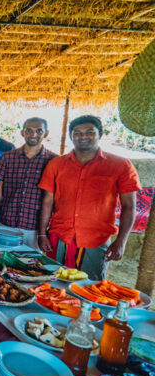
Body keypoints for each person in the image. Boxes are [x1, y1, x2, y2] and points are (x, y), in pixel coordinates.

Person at [38, 115, 140, 279]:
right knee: (51, 284)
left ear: (100, 134)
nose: (83, 136)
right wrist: (42, 234)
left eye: (89, 132)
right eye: (77, 132)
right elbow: (47, 201)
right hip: (59, 237)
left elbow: (129, 206)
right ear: (71, 136)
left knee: (89, 290)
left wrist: (121, 242)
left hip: (96, 240)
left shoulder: (121, 166)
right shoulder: (56, 164)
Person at [0, 117, 57, 248]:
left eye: (39, 131)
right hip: (7, 221)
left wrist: (44, 232)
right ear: (22, 133)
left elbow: (52, 197)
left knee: (32, 263)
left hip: (34, 226)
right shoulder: (8, 157)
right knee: (2, 259)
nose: (33, 135)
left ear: (46, 133)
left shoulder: (54, 160)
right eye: (29, 130)